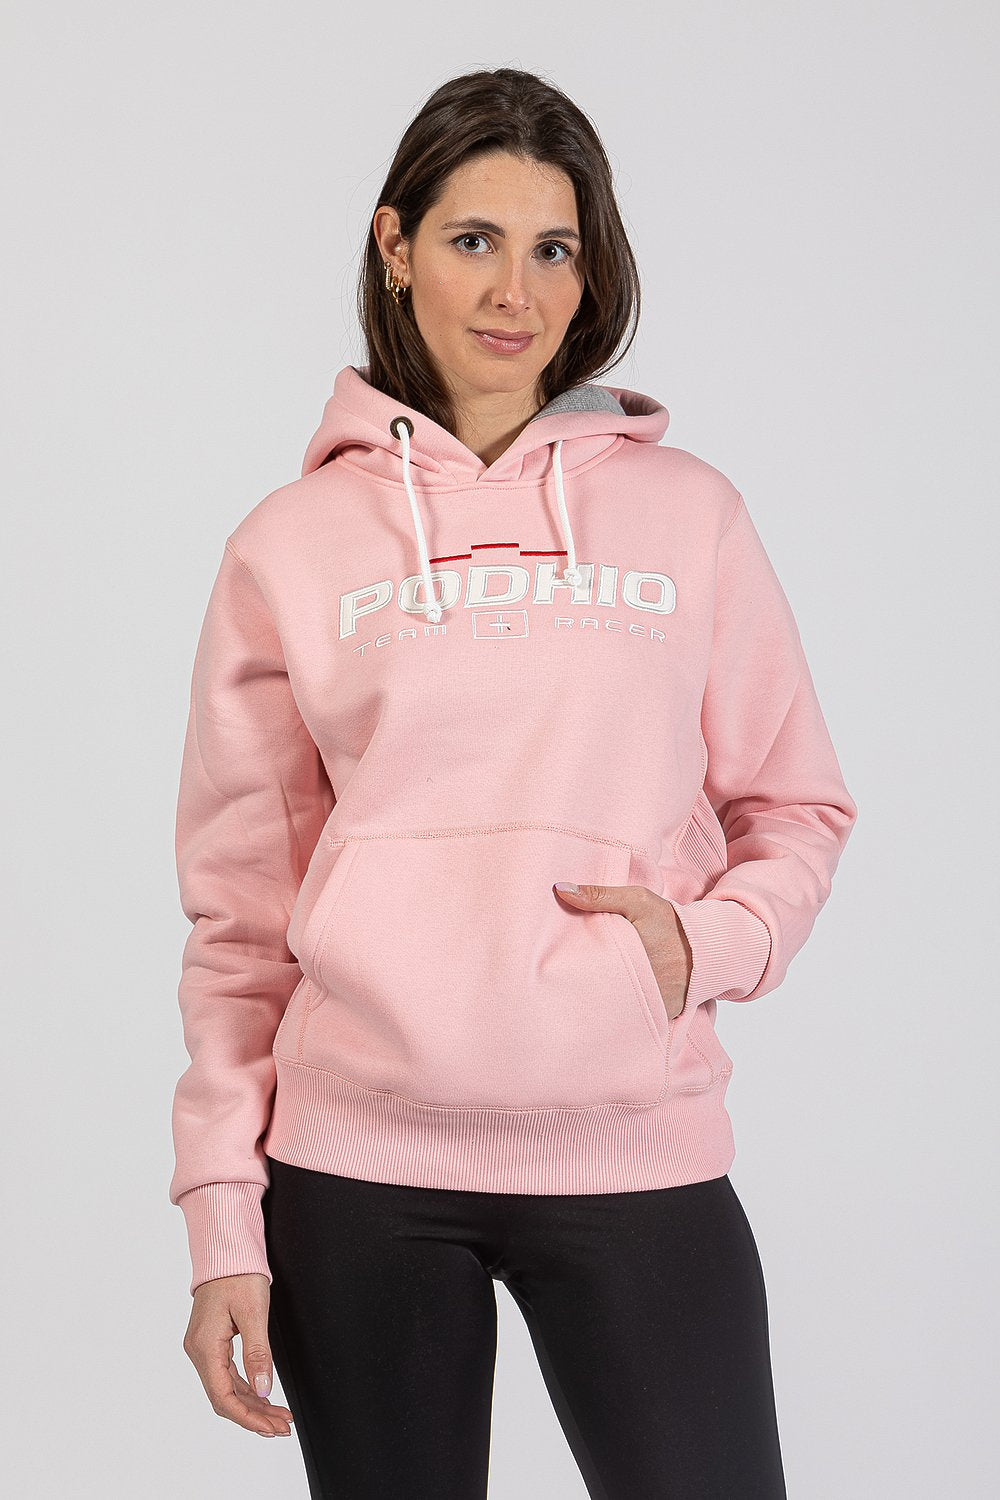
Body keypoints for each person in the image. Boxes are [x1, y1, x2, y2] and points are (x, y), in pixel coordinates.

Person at [169, 66, 858, 1499]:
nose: (515, 291)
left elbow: (795, 805)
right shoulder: (291, 544)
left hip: (632, 1147)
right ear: (395, 245)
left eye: (555, 248)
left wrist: (706, 946)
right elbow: (239, 921)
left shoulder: (689, 516)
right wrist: (224, 1218)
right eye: (473, 239)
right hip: (357, 1175)